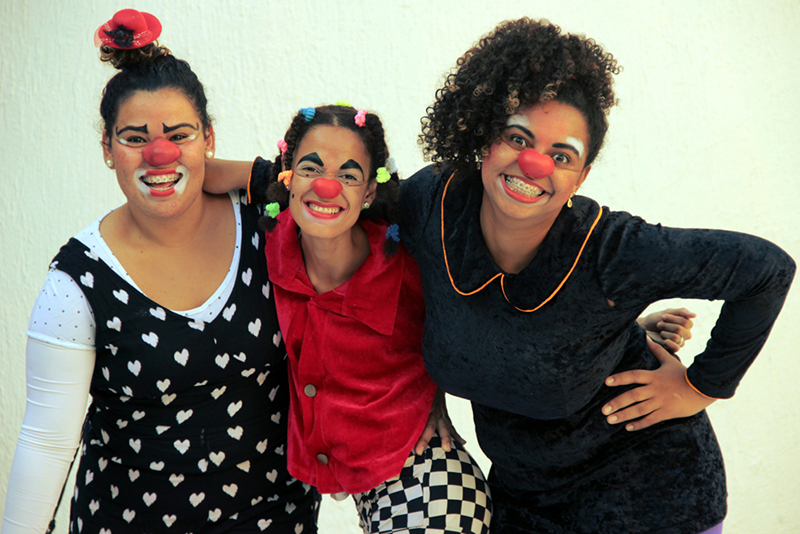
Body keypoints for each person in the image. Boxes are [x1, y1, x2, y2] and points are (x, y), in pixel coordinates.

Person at [393, 17, 795, 534]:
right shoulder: (433, 203)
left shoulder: (614, 250)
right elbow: (337, 195)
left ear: (580, 177)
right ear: (484, 135)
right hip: (523, 500)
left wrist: (700, 387)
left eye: (562, 155)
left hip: (650, 500)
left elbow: (766, 270)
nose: (534, 163)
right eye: (518, 136)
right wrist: (265, 178)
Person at [1, 10, 318, 534]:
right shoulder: (77, 281)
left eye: (179, 134)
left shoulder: (269, 228)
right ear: (107, 149)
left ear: (209, 138)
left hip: (274, 520)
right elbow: (47, 441)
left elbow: (349, 202)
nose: (160, 153)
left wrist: (254, 176)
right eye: (133, 138)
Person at [248, 104, 492, 533]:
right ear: (287, 175)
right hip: (340, 483)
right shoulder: (264, 246)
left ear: (368, 192)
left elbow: (489, 321)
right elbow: (192, 172)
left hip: (430, 484)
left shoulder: (410, 266)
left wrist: (436, 385)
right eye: (311, 168)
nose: (326, 186)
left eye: (348, 174)